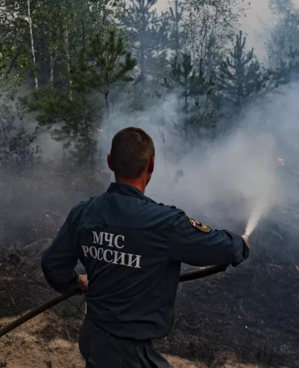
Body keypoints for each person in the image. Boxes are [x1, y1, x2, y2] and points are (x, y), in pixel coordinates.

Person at [41, 127, 250, 368]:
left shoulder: (83, 213)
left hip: (93, 338)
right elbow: (222, 247)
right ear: (151, 165)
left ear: (110, 162)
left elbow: (52, 264)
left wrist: (76, 281)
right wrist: (240, 244)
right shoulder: (166, 223)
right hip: (127, 355)